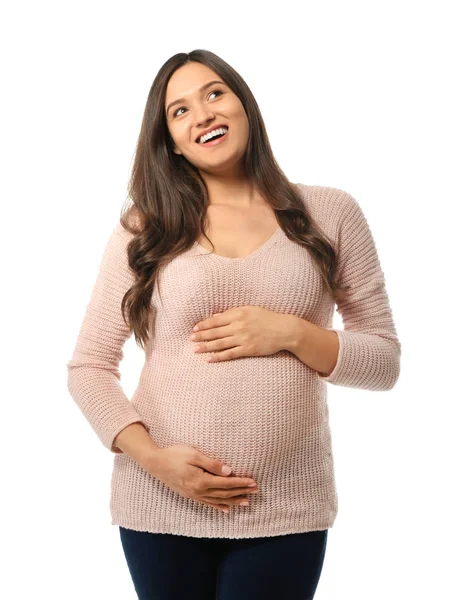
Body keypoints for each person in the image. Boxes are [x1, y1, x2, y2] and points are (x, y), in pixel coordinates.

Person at [66, 49, 401, 599]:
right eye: (179, 110)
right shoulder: (146, 227)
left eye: (215, 93)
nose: (202, 114)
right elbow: (89, 366)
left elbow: (383, 360)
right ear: (170, 140)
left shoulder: (330, 212)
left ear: (244, 104)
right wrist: (153, 460)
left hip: (287, 507)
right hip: (159, 504)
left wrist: (291, 332)